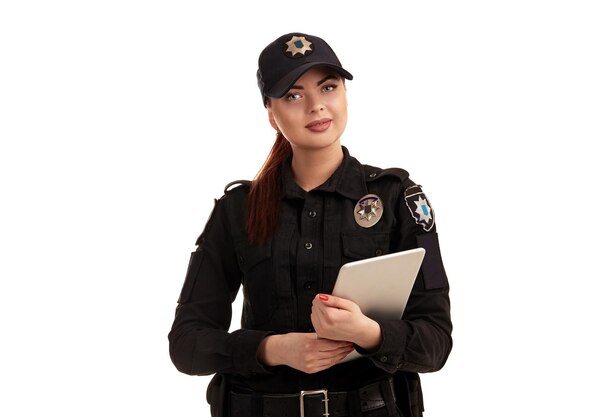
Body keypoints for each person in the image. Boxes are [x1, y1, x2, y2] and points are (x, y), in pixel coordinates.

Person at [168, 32, 452, 417]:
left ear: (345, 94)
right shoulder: (236, 210)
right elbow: (187, 344)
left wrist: (368, 334)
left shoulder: (400, 199)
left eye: (328, 87)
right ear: (271, 113)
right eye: (294, 95)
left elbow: (436, 342)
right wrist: (274, 349)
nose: (317, 107)